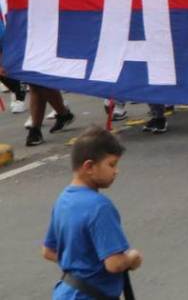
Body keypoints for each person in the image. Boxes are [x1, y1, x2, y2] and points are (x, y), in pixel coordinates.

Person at [43, 126, 142, 300]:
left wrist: (80, 266)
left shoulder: (63, 200)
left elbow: (49, 251)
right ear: (89, 166)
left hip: (66, 292)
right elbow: (115, 264)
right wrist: (132, 258)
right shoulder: (99, 207)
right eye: (111, 164)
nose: (116, 171)